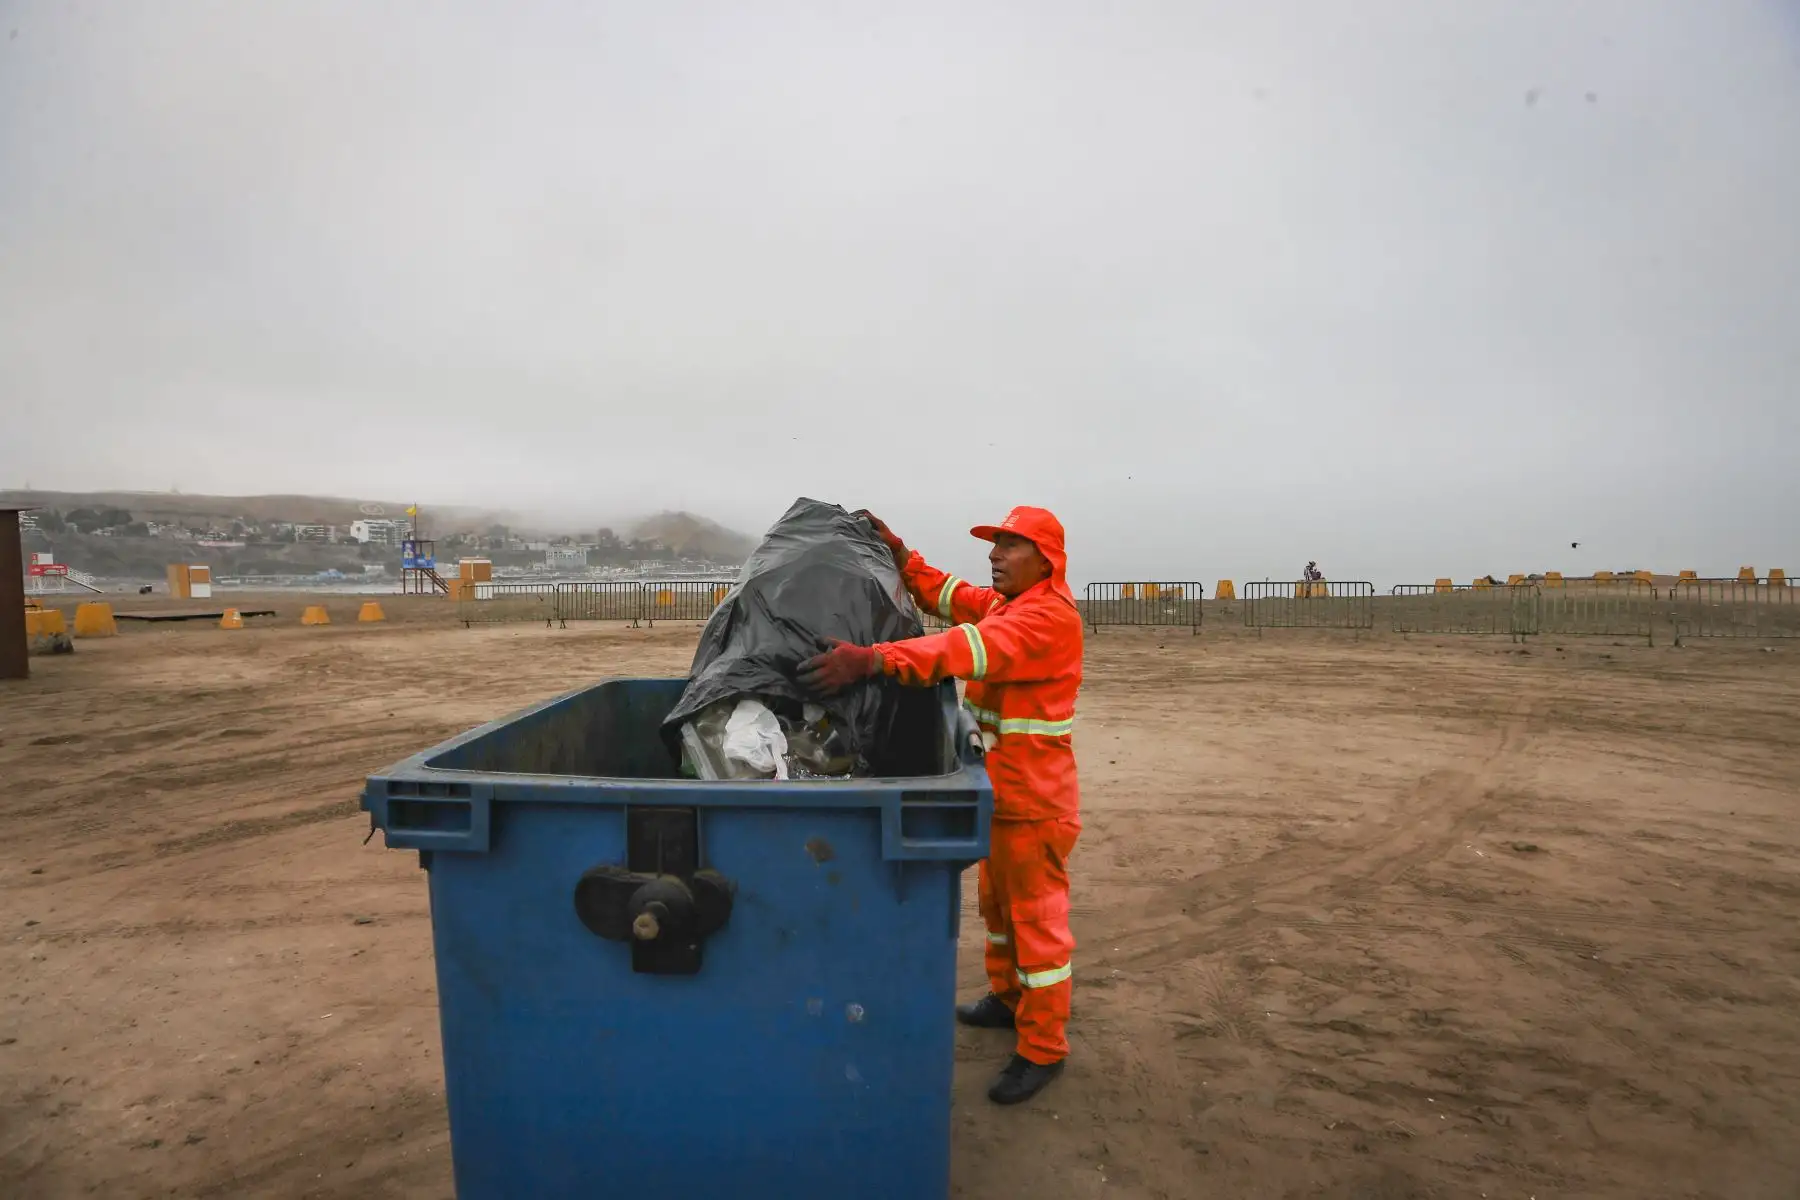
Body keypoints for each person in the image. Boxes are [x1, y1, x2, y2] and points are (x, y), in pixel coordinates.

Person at [797, 507, 1083, 1106]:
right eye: (994, 545)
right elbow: (953, 598)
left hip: (1035, 804)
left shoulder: (1045, 620)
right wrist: (904, 558)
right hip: (1004, 795)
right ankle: (1007, 999)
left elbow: (961, 648)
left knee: (1036, 926)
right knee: (999, 910)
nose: (994, 556)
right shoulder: (1010, 605)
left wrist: (872, 659)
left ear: (1045, 559)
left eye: (1009, 546)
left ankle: (1043, 1047)